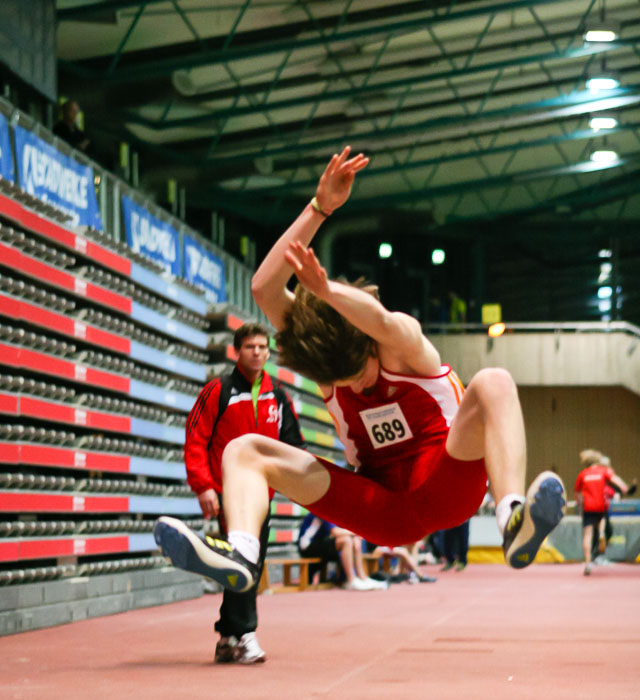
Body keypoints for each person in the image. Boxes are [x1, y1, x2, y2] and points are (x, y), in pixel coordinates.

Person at [154, 146, 566, 595]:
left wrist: (325, 289)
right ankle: (242, 554)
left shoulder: (401, 344)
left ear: (370, 346)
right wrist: (319, 209)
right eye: (345, 382)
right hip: (380, 509)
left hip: (448, 484)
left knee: (493, 381)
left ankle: (512, 519)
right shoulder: (331, 364)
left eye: (360, 375)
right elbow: (263, 287)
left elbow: (381, 320)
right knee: (244, 450)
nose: (356, 386)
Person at [183, 322, 304, 663]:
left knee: (245, 564)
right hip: (228, 497)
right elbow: (196, 440)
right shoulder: (217, 390)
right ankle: (246, 633)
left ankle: (227, 636)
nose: (257, 352)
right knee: (245, 563)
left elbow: (294, 445)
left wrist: (292, 485)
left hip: (262, 498)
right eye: (250, 346)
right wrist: (204, 486)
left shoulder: (277, 394)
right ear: (237, 351)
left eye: (263, 347)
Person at [575, 450, 633, 576]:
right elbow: (617, 481)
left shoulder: (583, 474)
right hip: (601, 505)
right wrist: (626, 488)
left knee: (588, 534)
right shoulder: (604, 471)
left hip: (588, 507)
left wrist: (580, 503)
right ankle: (602, 532)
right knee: (601, 519)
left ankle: (588, 562)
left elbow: (577, 493)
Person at [298, 512, 386, 590]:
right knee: (346, 540)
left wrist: (356, 536)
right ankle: (351, 580)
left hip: (320, 543)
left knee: (355, 540)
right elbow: (335, 532)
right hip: (307, 546)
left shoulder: (337, 512)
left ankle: (363, 577)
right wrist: (357, 533)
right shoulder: (324, 510)